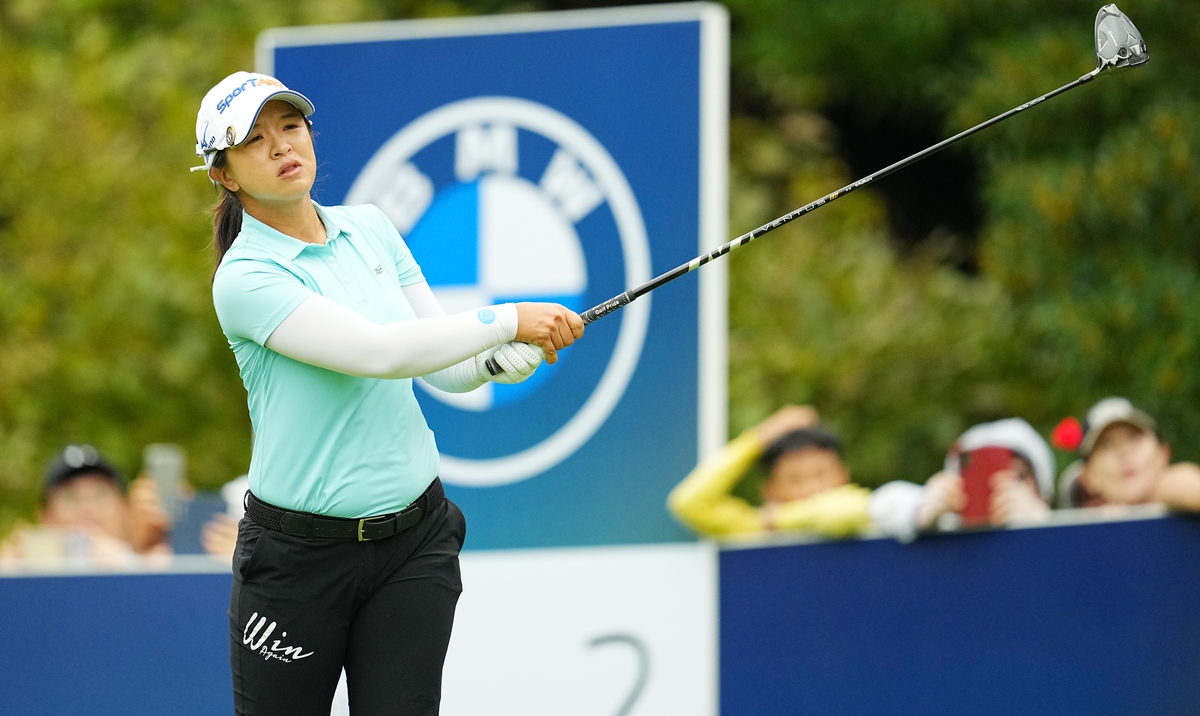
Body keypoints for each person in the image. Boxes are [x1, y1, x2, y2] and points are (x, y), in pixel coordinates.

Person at [194, 71, 584, 716]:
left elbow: (441, 363)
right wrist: (508, 319)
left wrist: (501, 361)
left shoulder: (370, 228)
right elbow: (378, 353)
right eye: (255, 140)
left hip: (413, 542)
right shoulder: (246, 277)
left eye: (290, 127)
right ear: (226, 175)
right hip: (297, 560)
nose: (281, 146)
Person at [667, 405, 872, 538]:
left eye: (821, 474)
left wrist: (775, 519)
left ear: (844, 474)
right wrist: (759, 437)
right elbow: (688, 503)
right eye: (795, 480)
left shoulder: (866, 507)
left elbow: (841, 516)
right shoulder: (754, 529)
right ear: (769, 489)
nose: (812, 488)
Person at [871, 418, 1055, 542]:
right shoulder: (947, 526)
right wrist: (923, 509)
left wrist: (1044, 526)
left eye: (1019, 477)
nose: (998, 486)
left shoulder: (1054, 521)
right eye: (978, 475)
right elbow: (880, 504)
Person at [0, 444, 171, 567]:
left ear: (125, 509)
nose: (88, 508)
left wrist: (129, 563)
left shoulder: (160, 567)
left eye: (101, 495)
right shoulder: (19, 571)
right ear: (46, 517)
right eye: (71, 498)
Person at [1053, 397, 1200, 512]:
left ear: (1163, 453)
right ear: (1087, 477)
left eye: (1133, 437)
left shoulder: (1175, 483)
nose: (1124, 451)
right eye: (1106, 445)